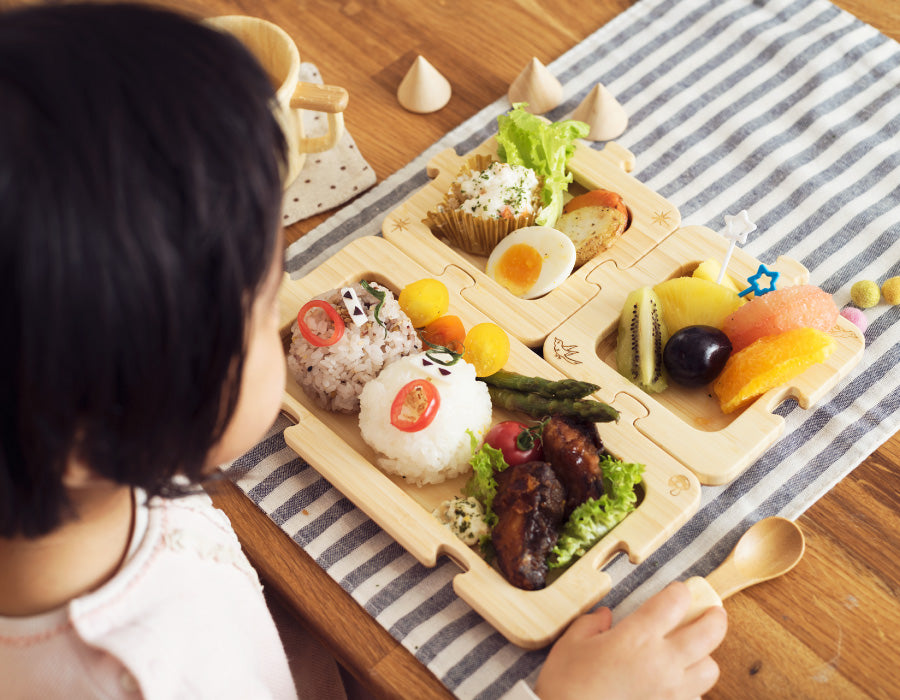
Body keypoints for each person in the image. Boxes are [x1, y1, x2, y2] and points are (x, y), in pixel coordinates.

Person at [0, 4, 726, 699]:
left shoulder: (65, 455)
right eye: (260, 308)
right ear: (104, 427)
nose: (286, 311)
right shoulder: (160, 676)